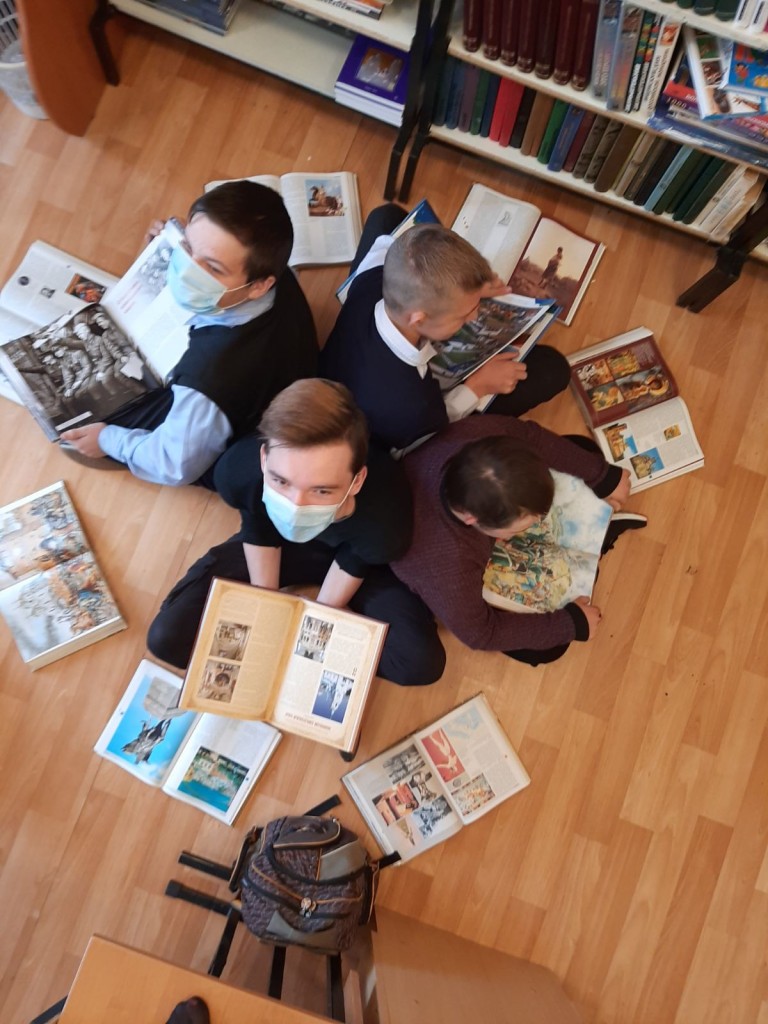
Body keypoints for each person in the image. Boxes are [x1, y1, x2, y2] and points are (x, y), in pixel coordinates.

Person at [147, 379, 445, 687]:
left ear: (356, 482)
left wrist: (320, 619)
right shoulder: (237, 471)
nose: (296, 505)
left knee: (420, 663)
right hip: (276, 547)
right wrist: (267, 604)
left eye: (321, 490)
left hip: (357, 561)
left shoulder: (386, 521)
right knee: (167, 639)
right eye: (281, 481)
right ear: (264, 459)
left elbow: (355, 561)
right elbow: (258, 528)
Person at [60, 181, 318, 486]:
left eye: (213, 268)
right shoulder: (274, 271)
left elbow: (172, 465)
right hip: (283, 366)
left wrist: (107, 439)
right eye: (187, 247)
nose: (185, 271)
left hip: (240, 416)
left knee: (103, 414)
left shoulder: (209, 380)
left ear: (260, 285)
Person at [390, 415, 646, 667]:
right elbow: (480, 634)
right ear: (471, 519)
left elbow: (531, 437)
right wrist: (569, 625)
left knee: (582, 449)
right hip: (454, 573)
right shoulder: (445, 568)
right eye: (519, 528)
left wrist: (602, 476)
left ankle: (594, 532)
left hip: (459, 513)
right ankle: (595, 538)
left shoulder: (482, 437)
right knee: (549, 648)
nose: (533, 525)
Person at [320, 204, 571, 455]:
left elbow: (393, 246)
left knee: (388, 216)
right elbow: (434, 434)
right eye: (463, 314)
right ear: (418, 319)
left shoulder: (372, 277)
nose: (475, 316)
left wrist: (469, 286)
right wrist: (477, 387)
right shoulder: (414, 408)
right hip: (387, 435)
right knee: (553, 368)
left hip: (343, 369)